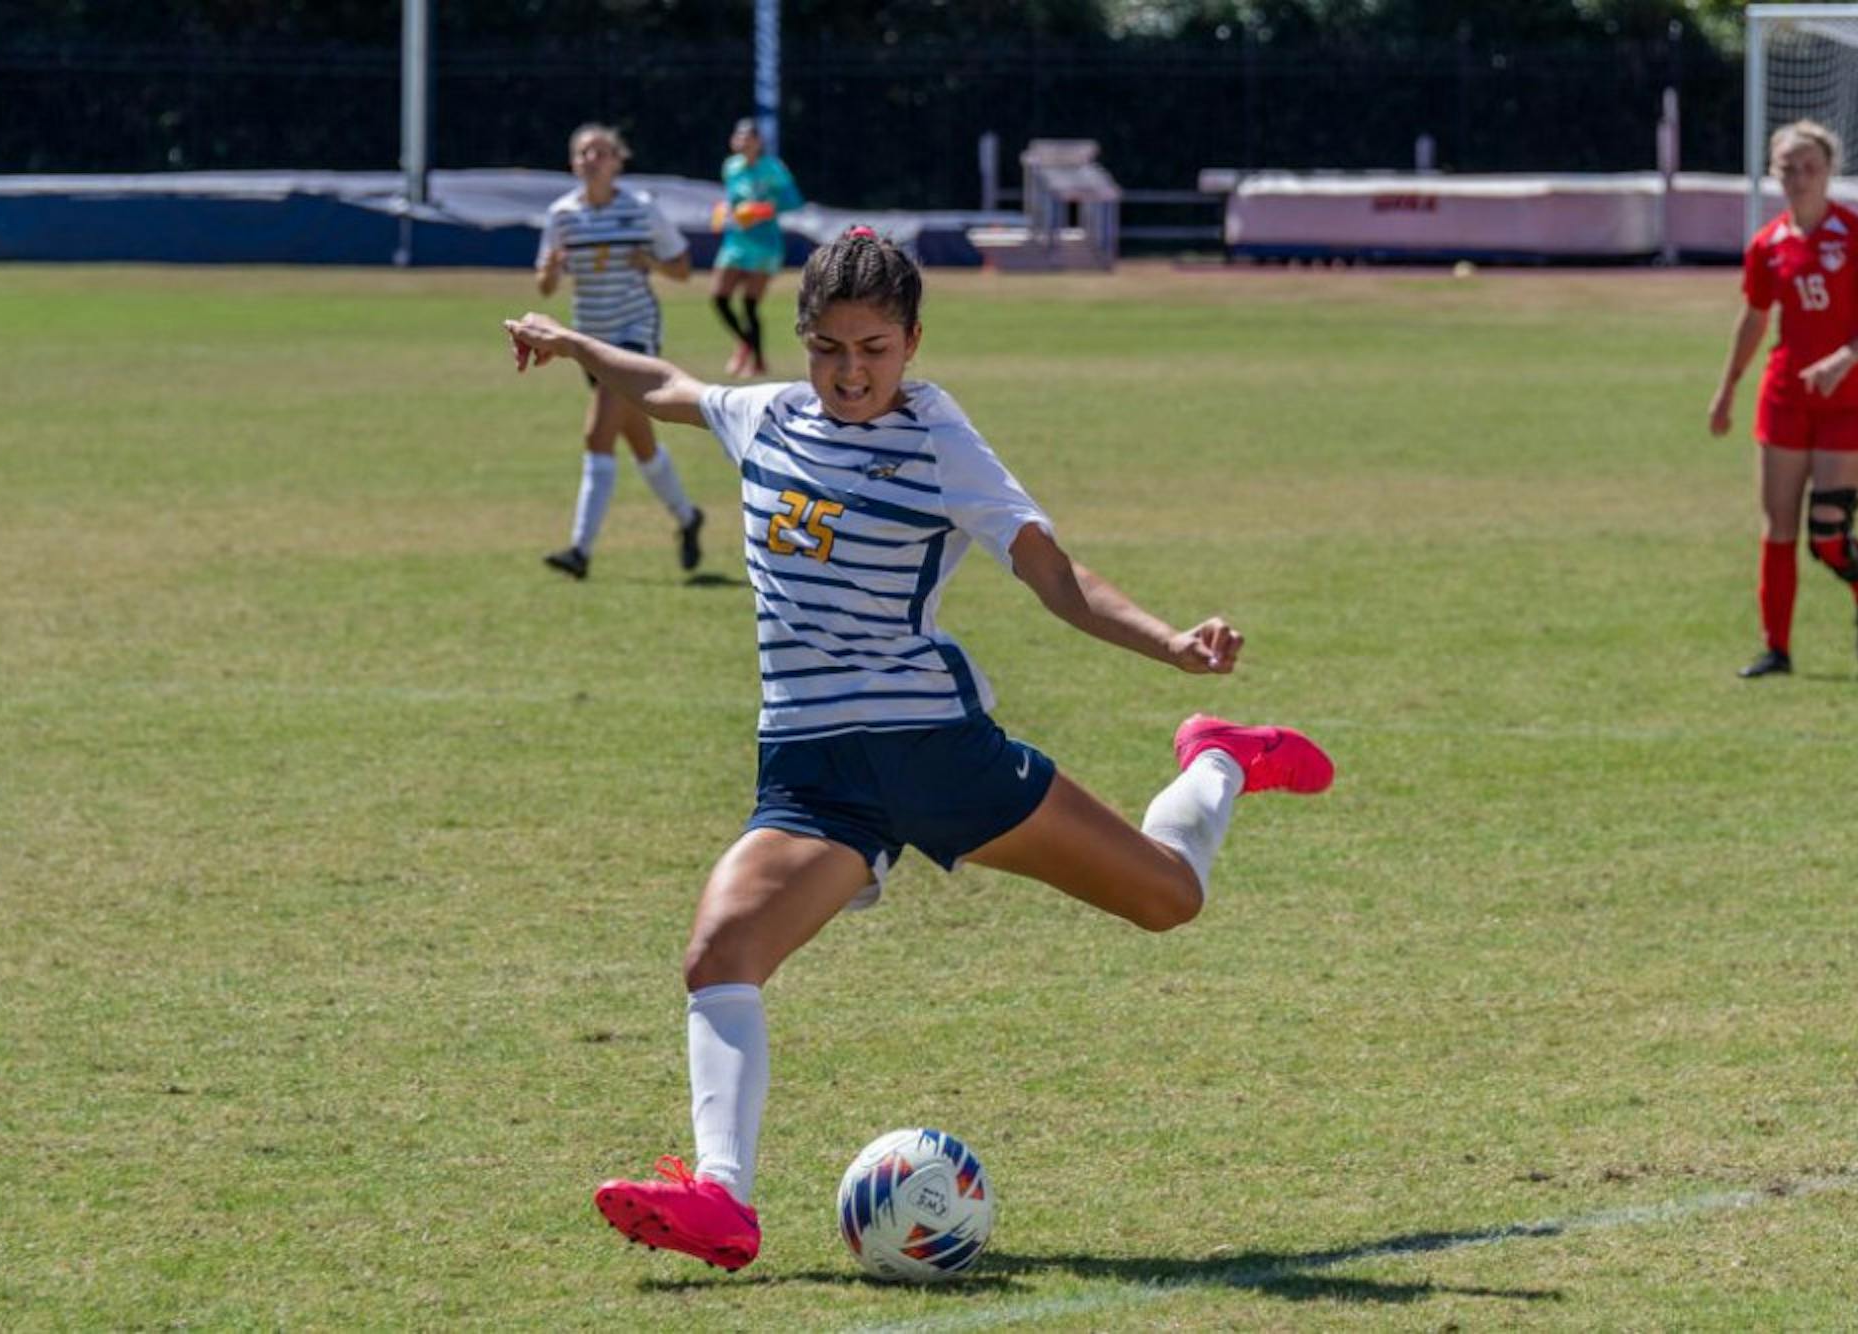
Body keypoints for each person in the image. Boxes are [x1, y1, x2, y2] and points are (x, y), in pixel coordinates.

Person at [503, 228, 1334, 1272]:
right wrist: (570, 339)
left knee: (1168, 895)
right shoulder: (764, 415)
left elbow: (1050, 572)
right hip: (808, 770)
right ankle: (721, 1199)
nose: (850, 371)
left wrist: (1168, 642)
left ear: (912, 342)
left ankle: (1216, 757)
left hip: (933, 753)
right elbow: (665, 381)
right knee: (720, 953)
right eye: (828, 347)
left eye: (875, 347)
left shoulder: (939, 437)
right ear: (801, 341)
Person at [1708, 119, 1858, 677]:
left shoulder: (1856, 235)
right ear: (1775, 173)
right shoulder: (1768, 245)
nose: (1798, 178)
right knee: (1780, 526)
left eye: (1809, 167)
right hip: (1786, 396)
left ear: (1829, 173)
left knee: (1827, 533)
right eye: (1788, 168)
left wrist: (1844, 359)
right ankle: (1777, 650)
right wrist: (1727, 390)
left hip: (1850, 397)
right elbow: (1753, 319)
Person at [534, 122, 706, 583]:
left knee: (597, 436)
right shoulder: (562, 214)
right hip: (588, 341)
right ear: (573, 163)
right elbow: (545, 287)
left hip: (634, 336)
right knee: (641, 443)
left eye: (601, 151)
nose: (592, 159)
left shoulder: (641, 209)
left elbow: (683, 268)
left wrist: (649, 263)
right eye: (584, 152)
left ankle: (580, 550)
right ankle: (688, 517)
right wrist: (550, 270)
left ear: (617, 160)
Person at [708, 118, 804, 379]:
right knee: (719, 297)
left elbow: (794, 201)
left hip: (764, 244)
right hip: (736, 242)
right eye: (738, 137)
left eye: (748, 137)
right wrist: (724, 210)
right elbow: (732, 200)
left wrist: (761, 210)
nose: (742, 141)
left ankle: (758, 361)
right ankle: (747, 343)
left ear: (758, 142)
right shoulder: (731, 167)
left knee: (749, 304)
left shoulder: (772, 168)